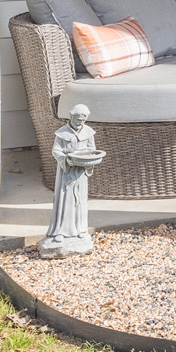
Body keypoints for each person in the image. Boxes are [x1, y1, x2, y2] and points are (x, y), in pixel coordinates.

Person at [38, 105, 106, 258]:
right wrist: (67, 159)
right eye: (77, 120)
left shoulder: (88, 132)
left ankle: (80, 230)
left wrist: (85, 157)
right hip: (66, 173)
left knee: (79, 201)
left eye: (82, 121)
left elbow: (92, 149)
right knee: (65, 201)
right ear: (71, 117)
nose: (79, 123)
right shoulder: (62, 133)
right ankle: (60, 232)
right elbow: (56, 150)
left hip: (80, 173)